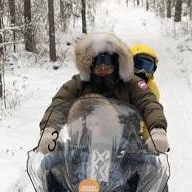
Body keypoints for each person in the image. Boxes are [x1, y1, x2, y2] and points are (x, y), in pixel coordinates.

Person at [39, 32, 169, 156]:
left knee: (151, 169)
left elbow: (148, 102)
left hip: (127, 149)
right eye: (98, 64)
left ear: (117, 62)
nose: (103, 68)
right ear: (89, 63)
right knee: (50, 167)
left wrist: (157, 130)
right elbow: (59, 103)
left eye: (107, 64)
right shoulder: (79, 83)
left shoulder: (131, 82)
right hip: (83, 147)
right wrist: (50, 130)